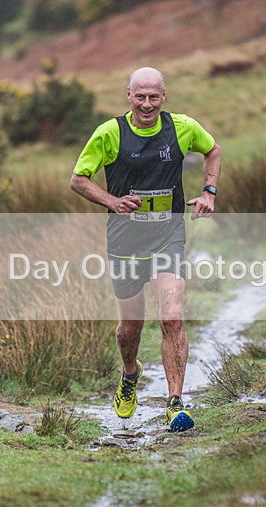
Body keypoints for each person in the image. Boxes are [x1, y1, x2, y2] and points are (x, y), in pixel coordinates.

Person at [70, 66, 221, 432]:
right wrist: (113, 201)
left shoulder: (182, 127)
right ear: (128, 95)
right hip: (125, 241)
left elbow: (213, 150)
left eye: (154, 96)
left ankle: (175, 403)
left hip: (168, 235)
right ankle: (130, 373)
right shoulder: (109, 133)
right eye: (140, 96)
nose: (147, 104)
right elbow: (78, 180)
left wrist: (208, 191)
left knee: (172, 316)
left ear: (163, 96)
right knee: (131, 326)